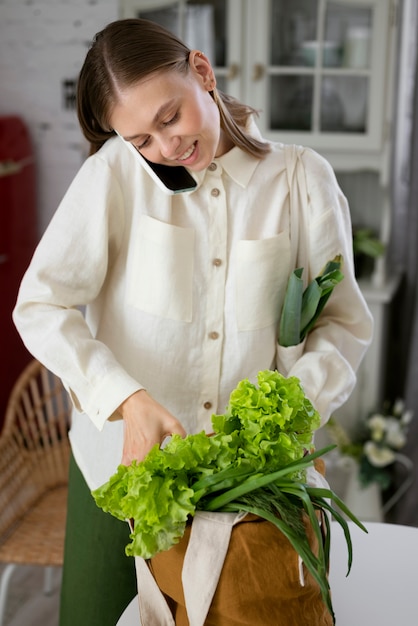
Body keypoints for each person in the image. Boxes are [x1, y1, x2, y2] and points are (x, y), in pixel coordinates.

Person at [13, 18, 373, 626]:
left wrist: (295, 412)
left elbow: (342, 326)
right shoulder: (114, 175)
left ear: (202, 72)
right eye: (141, 140)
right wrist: (125, 399)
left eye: (170, 117)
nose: (165, 148)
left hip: (251, 492)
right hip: (121, 479)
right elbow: (40, 305)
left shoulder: (300, 180)